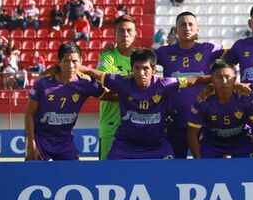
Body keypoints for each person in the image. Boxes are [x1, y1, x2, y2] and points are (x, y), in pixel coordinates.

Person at [78, 49, 213, 160]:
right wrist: (73, 67)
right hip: (125, 147)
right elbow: (94, 73)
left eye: (145, 68)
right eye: (137, 68)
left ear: (153, 69)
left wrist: (216, 80)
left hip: (157, 147)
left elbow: (194, 80)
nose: (141, 73)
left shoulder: (165, 84)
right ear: (131, 69)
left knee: (171, 174)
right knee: (110, 174)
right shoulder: (122, 82)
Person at [155, 12, 225, 159]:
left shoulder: (209, 48)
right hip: (175, 122)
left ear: (197, 28)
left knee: (206, 167)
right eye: (182, 24)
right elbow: (141, 60)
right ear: (175, 29)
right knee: (176, 168)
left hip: (204, 122)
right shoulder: (163, 52)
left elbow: (238, 53)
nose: (187, 27)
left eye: (190, 24)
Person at [24, 43, 106, 161]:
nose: (71, 66)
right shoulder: (43, 83)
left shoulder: (85, 83)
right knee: (36, 177)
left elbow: (111, 95)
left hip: (65, 142)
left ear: (81, 61)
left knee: (74, 177)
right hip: (40, 140)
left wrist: (134, 92)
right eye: (66, 61)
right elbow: (29, 114)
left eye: (74, 61)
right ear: (59, 62)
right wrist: (31, 145)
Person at [187, 60, 253, 158]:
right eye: (219, 78)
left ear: (234, 79)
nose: (224, 82)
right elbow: (192, 132)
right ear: (212, 80)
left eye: (227, 77)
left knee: (249, 169)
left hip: (241, 142)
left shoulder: (245, 96)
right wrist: (199, 162)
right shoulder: (203, 99)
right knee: (206, 169)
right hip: (212, 143)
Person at [96, 15, 138, 160]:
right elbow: (103, 90)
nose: (125, 35)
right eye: (121, 31)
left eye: (129, 31)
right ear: (114, 34)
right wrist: (134, 94)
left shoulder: (141, 59)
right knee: (106, 176)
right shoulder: (108, 58)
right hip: (111, 127)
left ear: (135, 34)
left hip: (137, 128)